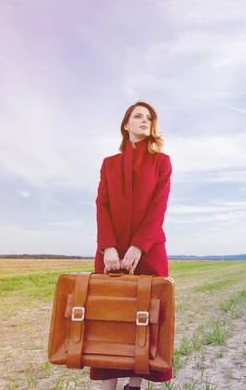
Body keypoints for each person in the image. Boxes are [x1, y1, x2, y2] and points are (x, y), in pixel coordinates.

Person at [91, 101, 173, 390]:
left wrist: (139, 246)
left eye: (149, 117)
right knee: (108, 319)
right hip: (111, 254)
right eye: (137, 116)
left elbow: (158, 208)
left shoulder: (162, 162)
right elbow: (102, 206)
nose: (144, 121)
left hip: (148, 251)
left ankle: (134, 386)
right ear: (126, 125)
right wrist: (108, 247)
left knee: (145, 320)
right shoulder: (109, 164)